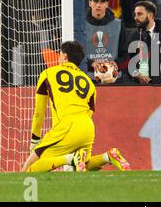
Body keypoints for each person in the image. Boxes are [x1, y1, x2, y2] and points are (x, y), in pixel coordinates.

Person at [21, 41, 130, 172]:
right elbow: (90, 112)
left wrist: (35, 140)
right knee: (84, 163)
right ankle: (108, 156)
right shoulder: (89, 82)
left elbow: (39, 113)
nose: (59, 58)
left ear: (65, 56)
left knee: (28, 169)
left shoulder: (48, 74)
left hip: (66, 127)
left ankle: (70, 158)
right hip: (87, 128)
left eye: (60, 55)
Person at [85, 0, 129, 83]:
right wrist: (91, 63)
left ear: (107, 4)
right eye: (95, 1)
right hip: (88, 78)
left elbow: (125, 53)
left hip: (114, 78)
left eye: (102, 2)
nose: (98, 5)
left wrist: (116, 62)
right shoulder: (81, 25)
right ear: (90, 3)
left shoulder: (118, 24)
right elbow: (76, 54)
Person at [128, 0, 161, 84]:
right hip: (141, 87)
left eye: (139, 14)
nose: (135, 18)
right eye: (135, 14)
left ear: (150, 15)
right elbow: (127, 62)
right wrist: (136, 74)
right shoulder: (134, 36)